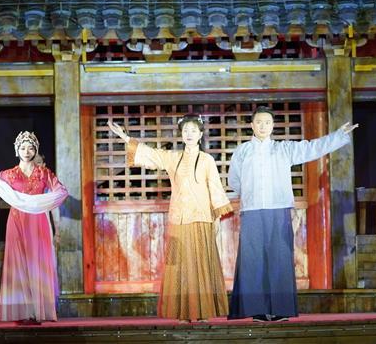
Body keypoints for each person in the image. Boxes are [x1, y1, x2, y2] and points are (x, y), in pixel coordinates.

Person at [227, 106, 357, 321]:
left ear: (272, 126)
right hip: (252, 211)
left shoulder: (284, 149)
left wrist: (337, 135)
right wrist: (250, 194)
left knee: (279, 259)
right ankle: (256, 309)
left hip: (278, 210)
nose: (263, 126)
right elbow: (234, 181)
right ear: (252, 125)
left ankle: (280, 309)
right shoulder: (242, 151)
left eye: (267, 122)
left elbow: (312, 148)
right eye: (259, 122)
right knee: (253, 261)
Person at [108, 115, 232, 322]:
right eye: (186, 131)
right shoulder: (173, 157)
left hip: (201, 217)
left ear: (200, 134)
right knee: (179, 265)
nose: (189, 134)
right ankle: (182, 312)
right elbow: (150, 154)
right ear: (181, 135)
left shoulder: (207, 160)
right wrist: (125, 137)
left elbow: (215, 189)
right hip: (178, 218)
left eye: (193, 130)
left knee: (200, 263)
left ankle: (202, 312)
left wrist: (217, 217)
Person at [0, 131, 66, 323]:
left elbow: (61, 191)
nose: (27, 151)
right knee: (17, 263)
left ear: (36, 150)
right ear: (16, 150)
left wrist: (40, 202)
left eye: (30, 147)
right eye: (23, 147)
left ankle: (37, 310)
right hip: (17, 220)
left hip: (37, 221)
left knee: (37, 263)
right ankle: (21, 311)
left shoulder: (44, 173)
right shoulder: (7, 174)